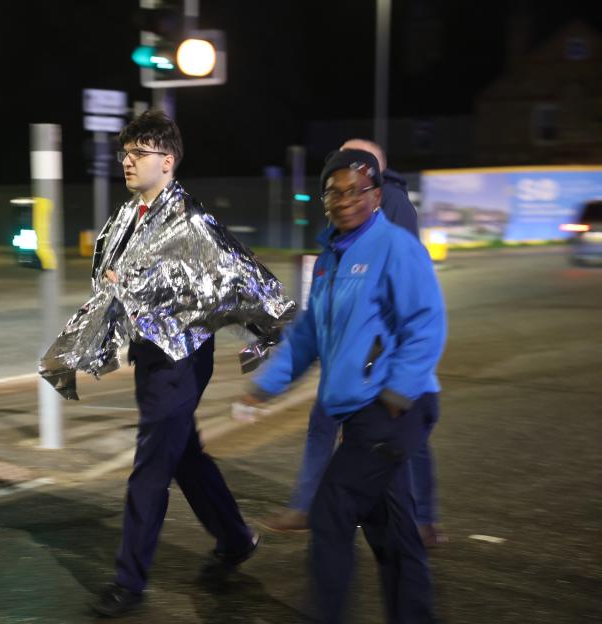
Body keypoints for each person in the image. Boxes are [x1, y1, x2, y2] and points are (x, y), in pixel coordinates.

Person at [236, 149, 446, 623]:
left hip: (393, 406)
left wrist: (396, 394)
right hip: (364, 411)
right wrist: (265, 387)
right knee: (392, 530)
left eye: (357, 190)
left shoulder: (395, 247)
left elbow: (426, 322)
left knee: (331, 513)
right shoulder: (331, 256)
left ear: (376, 196)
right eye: (335, 191)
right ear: (324, 199)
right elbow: (310, 331)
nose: (346, 199)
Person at [88, 111, 261, 618]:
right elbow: (112, 276)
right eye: (125, 153)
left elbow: (235, 277)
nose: (127, 160)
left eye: (138, 153)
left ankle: (129, 582)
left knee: (149, 468)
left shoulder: (191, 222)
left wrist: (266, 332)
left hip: (180, 359)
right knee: (183, 453)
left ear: (167, 161)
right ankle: (234, 538)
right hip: (150, 353)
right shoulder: (130, 216)